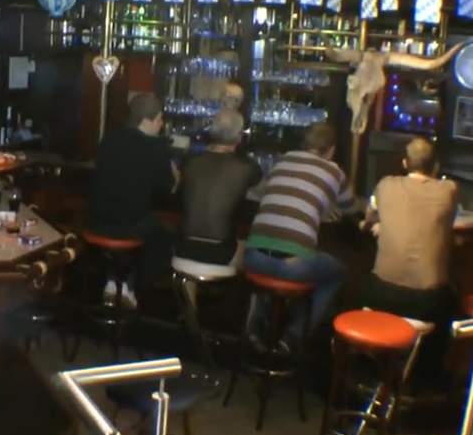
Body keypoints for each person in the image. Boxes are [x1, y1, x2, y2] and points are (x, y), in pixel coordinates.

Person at [244, 123, 358, 339]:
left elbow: (260, 193)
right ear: (331, 149)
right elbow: (351, 207)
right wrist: (322, 208)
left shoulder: (282, 160)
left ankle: (260, 320)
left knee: (274, 272)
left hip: (253, 258)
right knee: (337, 273)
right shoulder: (334, 171)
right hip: (294, 266)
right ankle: (294, 336)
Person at [88, 93, 180, 306]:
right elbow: (167, 192)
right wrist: (176, 178)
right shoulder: (156, 149)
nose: (162, 124)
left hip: (96, 223)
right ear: (146, 120)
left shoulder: (108, 139)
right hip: (128, 226)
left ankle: (113, 280)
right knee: (165, 234)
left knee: (134, 220)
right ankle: (131, 287)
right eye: (159, 119)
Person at [359, 137, 457, 324]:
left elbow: (370, 216)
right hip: (425, 300)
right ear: (436, 165)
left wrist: (380, 225)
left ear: (405, 163)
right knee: (452, 298)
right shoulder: (449, 190)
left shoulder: (385, 184)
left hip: (381, 294)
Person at [177, 109, 261, 268]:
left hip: (183, 246)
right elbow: (258, 188)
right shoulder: (246, 167)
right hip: (222, 252)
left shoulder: (190, 161)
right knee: (250, 246)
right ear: (239, 137)